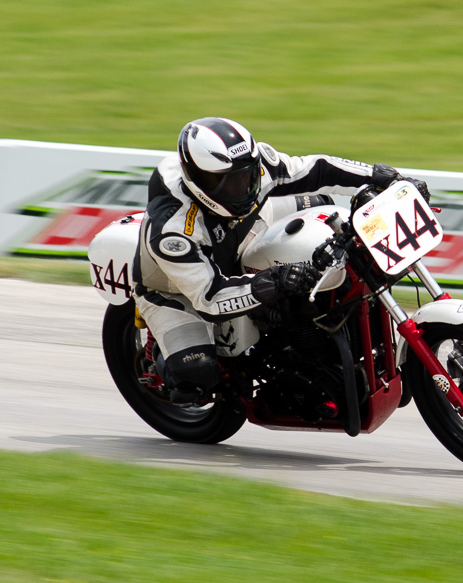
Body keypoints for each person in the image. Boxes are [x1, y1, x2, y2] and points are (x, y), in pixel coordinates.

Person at [133, 117, 428, 406]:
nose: (244, 187)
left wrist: (385, 178)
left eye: (247, 176)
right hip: (176, 287)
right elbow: (210, 297)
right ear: (197, 180)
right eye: (229, 183)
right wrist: (274, 279)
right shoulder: (172, 230)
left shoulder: (257, 167)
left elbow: (319, 169)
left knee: (322, 204)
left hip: (241, 230)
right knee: (196, 374)